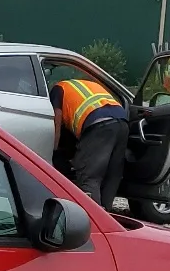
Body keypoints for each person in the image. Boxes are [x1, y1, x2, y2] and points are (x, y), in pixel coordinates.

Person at [48, 72, 128, 210]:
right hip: (122, 122)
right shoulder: (87, 85)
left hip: (98, 124)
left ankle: (94, 220)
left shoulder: (57, 89)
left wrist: (54, 150)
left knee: (89, 176)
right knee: (112, 175)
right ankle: (107, 217)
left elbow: (57, 120)